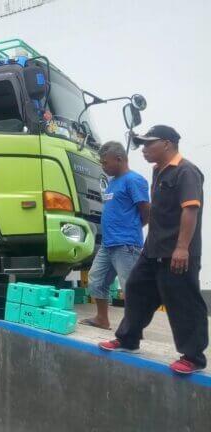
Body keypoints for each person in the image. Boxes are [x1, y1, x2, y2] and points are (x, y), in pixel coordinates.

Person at [99, 125, 207, 374]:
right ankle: (128, 340)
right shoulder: (158, 171)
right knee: (136, 289)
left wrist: (182, 248)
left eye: (149, 144)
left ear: (167, 143)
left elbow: (190, 210)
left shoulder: (186, 171)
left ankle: (193, 357)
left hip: (178, 252)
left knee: (183, 301)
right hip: (153, 250)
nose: (144, 149)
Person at [80, 141, 149, 330]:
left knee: (130, 288)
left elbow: (146, 211)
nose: (103, 166)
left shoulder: (134, 180)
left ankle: (133, 329)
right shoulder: (112, 183)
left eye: (105, 163)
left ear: (119, 159)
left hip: (126, 244)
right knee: (96, 279)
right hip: (108, 244)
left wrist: (132, 228)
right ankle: (102, 319)